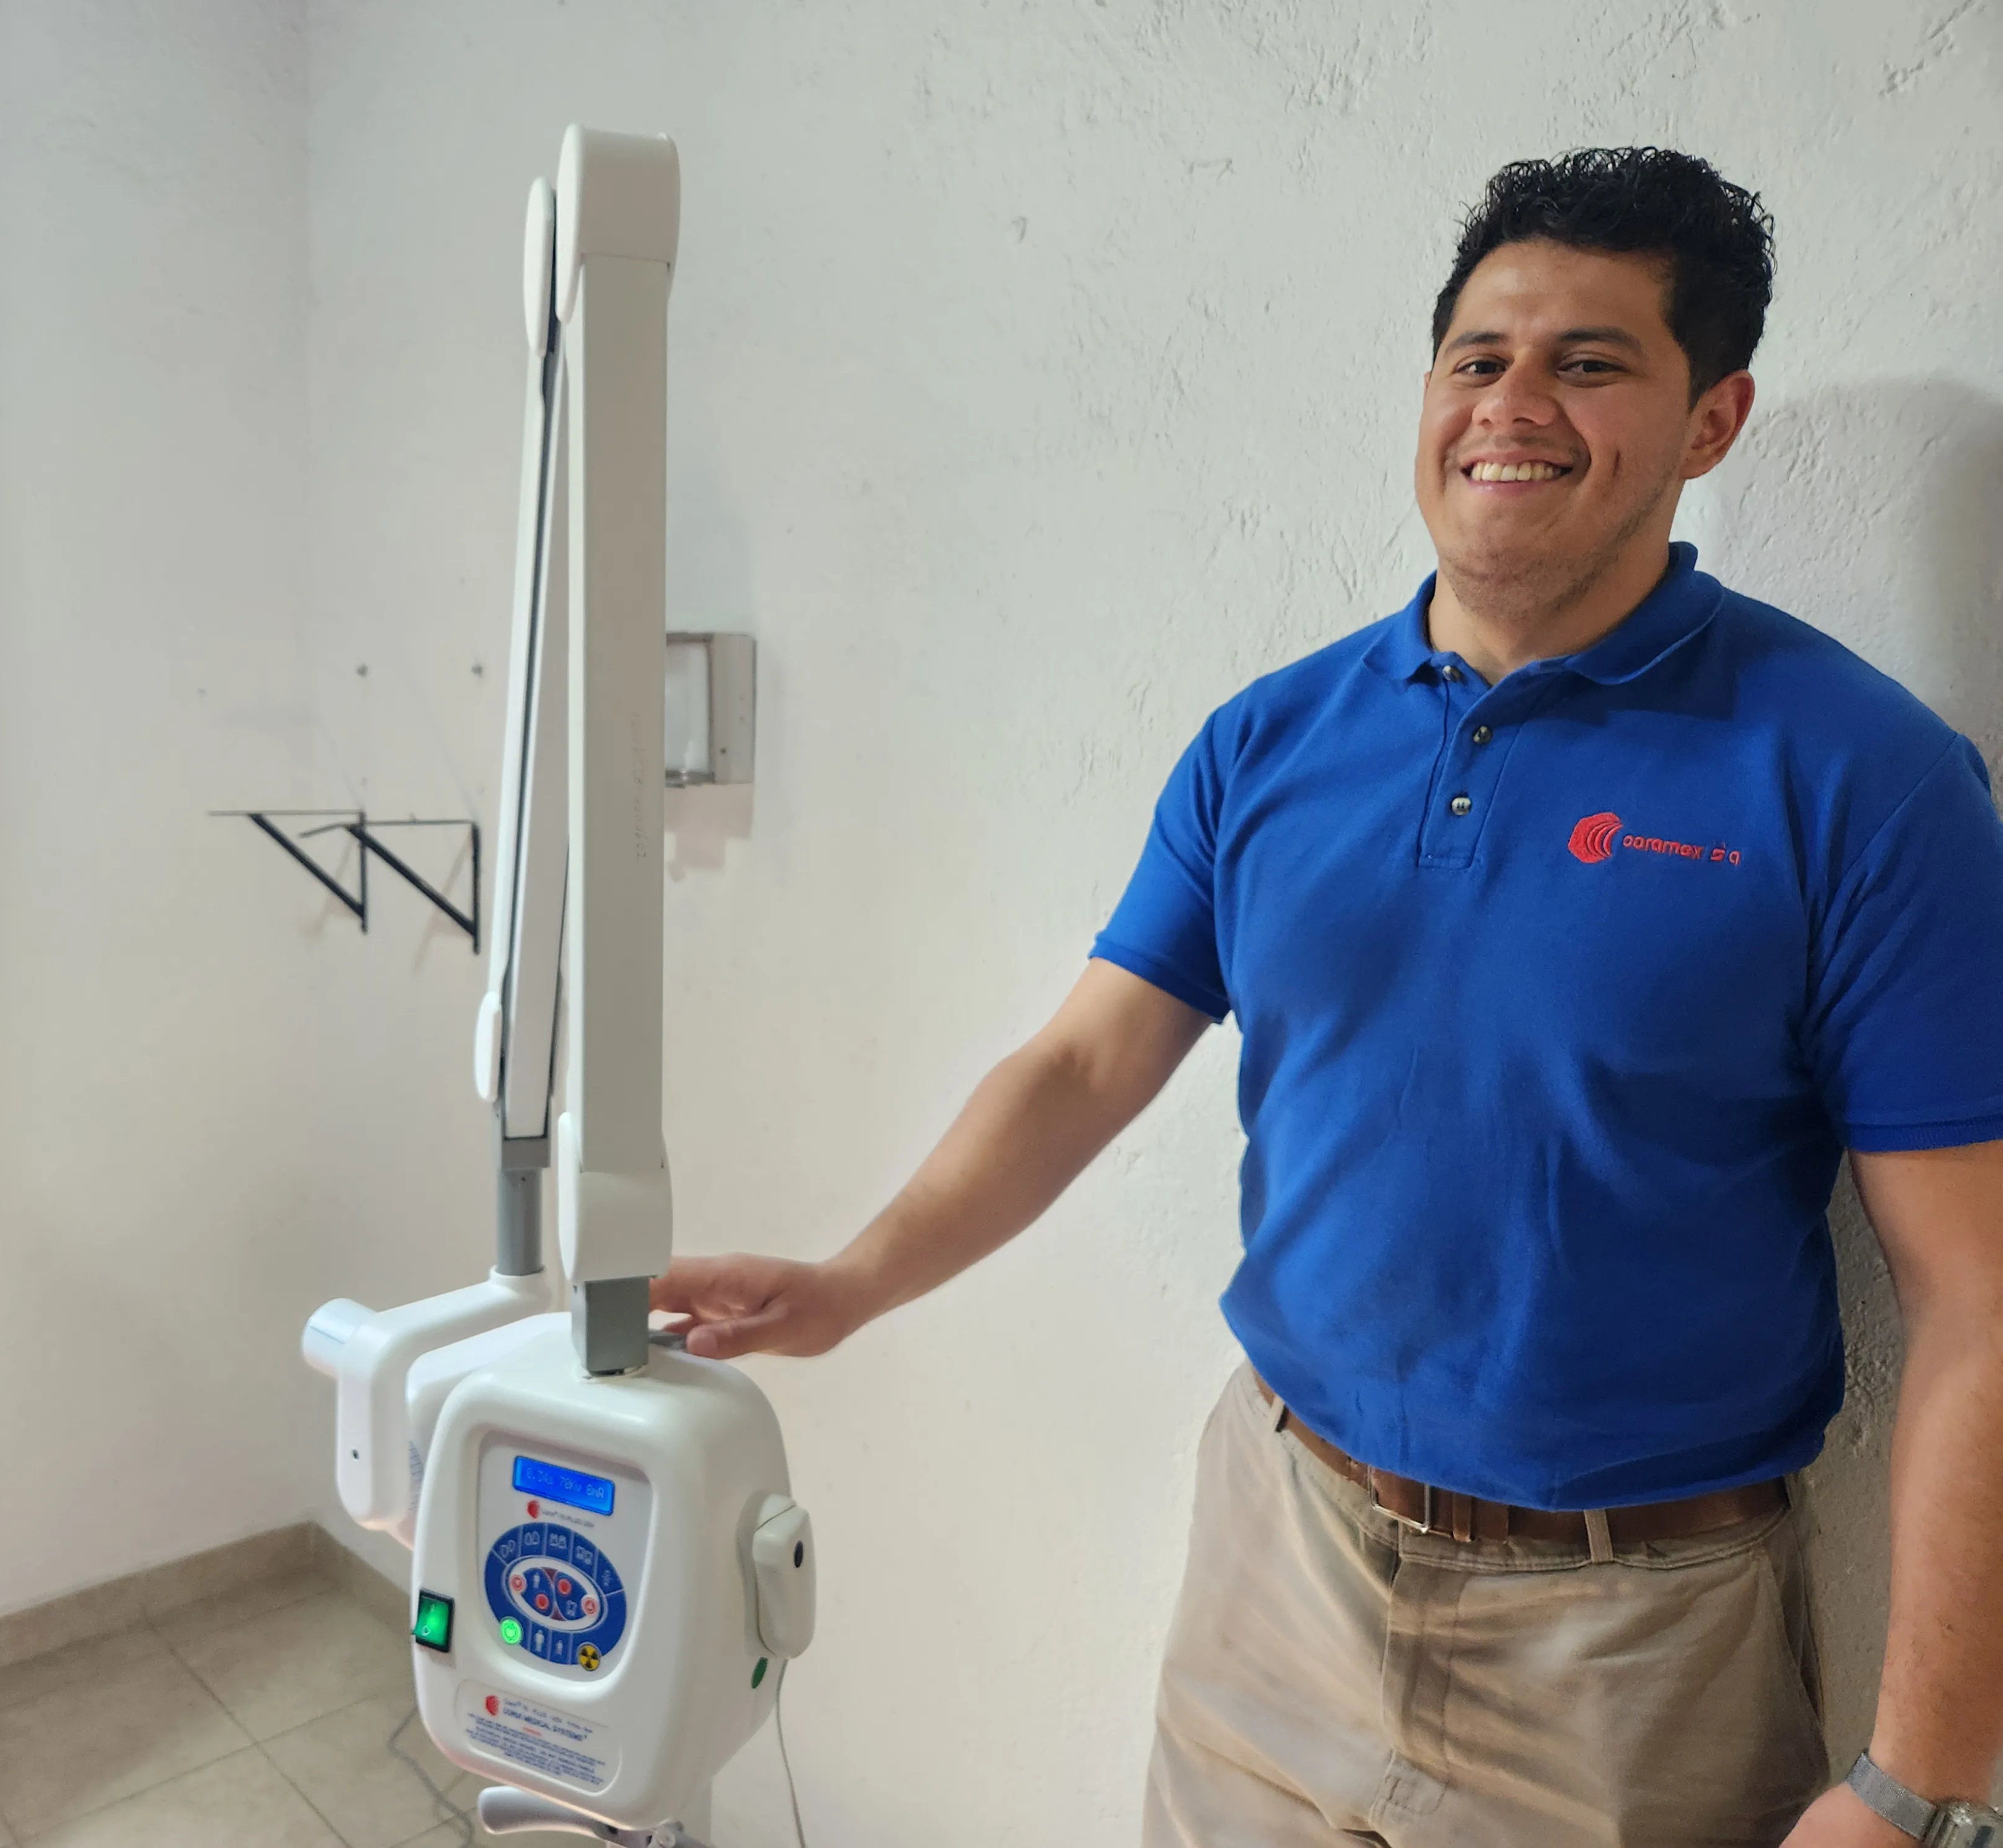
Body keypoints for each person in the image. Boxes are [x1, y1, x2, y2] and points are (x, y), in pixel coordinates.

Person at [654, 150, 2003, 1847]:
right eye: (1479, 357)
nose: (1516, 403)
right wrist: (853, 1282)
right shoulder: (1270, 741)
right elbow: (1083, 1062)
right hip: (1277, 1558)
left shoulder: (1862, 778)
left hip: (1630, 1642)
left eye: (1592, 362)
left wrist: (1914, 1786)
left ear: (1712, 420)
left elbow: (1984, 1300)